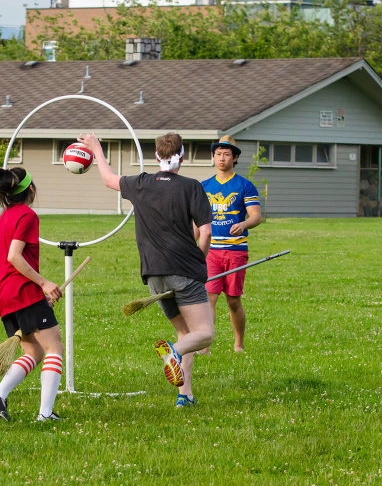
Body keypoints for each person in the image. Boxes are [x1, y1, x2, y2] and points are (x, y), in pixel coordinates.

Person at [77, 132, 213, 408]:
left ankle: (184, 396)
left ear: (156, 157)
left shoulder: (140, 183)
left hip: (153, 277)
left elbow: (107, 179)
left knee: (187, 334)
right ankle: (171, 353)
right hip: (185, 271)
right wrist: (198, 262)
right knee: (205, 335)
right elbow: (207, 233)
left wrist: (96, 149)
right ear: (182, 157)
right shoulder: (192, 187)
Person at [0, 167, 65, 422]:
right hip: (22, 290)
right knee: (54, 348)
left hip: (5, 293)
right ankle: (45, 414)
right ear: (30, 189)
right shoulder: (27, 215)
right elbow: (14, 256)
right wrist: (43, 283)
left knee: (34, 353)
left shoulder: (4, 216)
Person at [200, 135, 261, 353]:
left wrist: (243, 224)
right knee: (209, 297)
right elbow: (197, 223)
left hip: (236, 251)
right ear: (213, 157)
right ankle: (205, 346)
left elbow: (256, 216)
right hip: (211, 251)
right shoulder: (203, 186)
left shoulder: (245, 185)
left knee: (233, 301)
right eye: (218, 154)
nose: (222, 158)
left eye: (227, 154)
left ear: (235, 158)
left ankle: (239, 344)